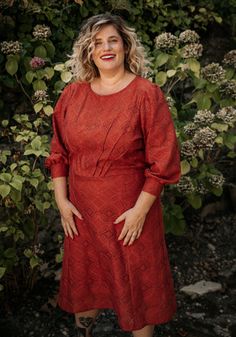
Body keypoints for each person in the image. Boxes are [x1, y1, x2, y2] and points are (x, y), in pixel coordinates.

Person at [45, 13, 181, 337]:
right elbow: (58, 153)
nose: (105, 48)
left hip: (129, 218)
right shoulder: (72, 96)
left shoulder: (146, 94)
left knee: (138, 293)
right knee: (86, 286)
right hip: (82, 216)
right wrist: (62, 202)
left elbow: (163, 160)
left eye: (112, 40)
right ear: (88, 51)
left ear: (125, 45)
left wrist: (140, 212)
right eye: (96, 43)